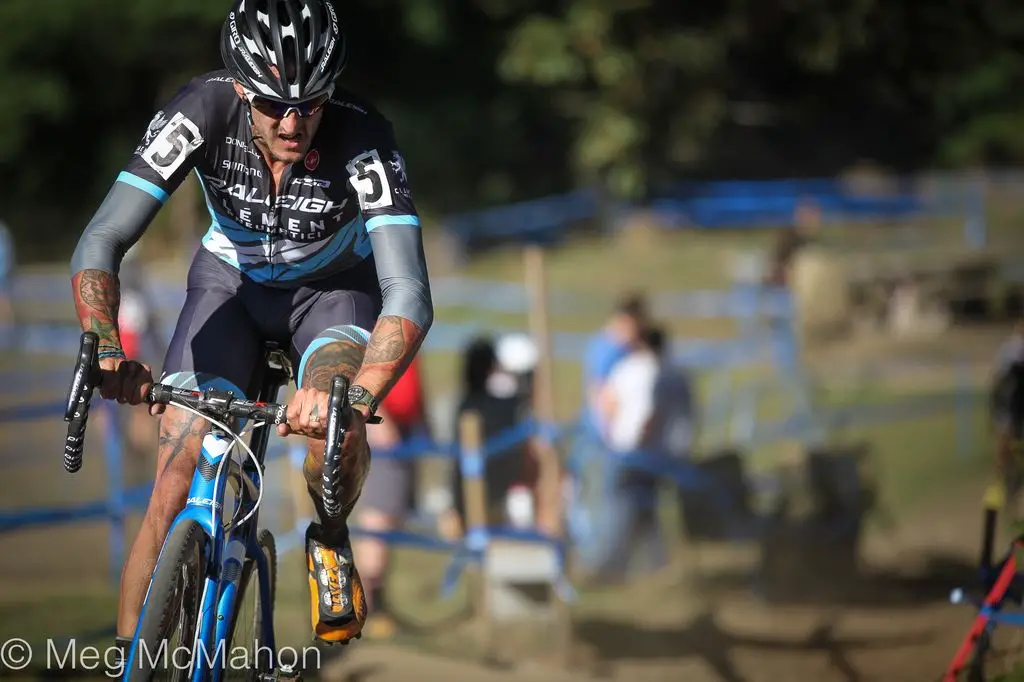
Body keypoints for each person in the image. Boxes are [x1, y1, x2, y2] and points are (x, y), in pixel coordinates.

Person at [67, 0, 433, 655]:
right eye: (272, 104)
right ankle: (131, 664)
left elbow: (407, 290)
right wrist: (104, 347)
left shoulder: (364, 136)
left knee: (332, 430)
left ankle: (330, 529)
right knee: (175, 473)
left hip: (330, 296)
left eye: (311, 103)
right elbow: (103, 237)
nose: (294, 123)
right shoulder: (200, 108)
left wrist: (357, 398)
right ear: (240, 87)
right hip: (228, 286)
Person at [353, 355, 430, 639]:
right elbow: (359, 369)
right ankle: (366, 607)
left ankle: (377, 604)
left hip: (404, 431)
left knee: (390, 522)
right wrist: (380, 421)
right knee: (377, 521)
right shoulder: (375, 321)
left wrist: (422, 419)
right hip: (385, 432)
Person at [991, 320, 1024, 506]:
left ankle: (1010, 484)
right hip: (1010, 408)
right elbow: (999, 378)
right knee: (1006, 445)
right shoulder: (1011, 351)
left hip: (1014, 409)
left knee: (1009, 446)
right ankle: (1004, 484)